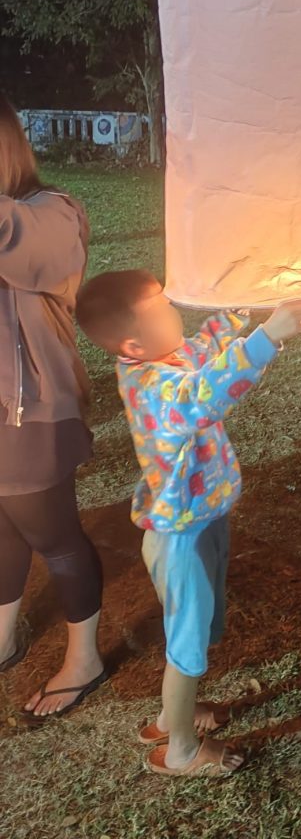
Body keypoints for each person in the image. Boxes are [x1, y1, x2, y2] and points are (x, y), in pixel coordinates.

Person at [76, 269, 301, 776]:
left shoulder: (165, 353)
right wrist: (267, 335)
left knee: (198, 630)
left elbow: (205, 345)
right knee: (186, 647)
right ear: (131, 343)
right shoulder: (155, 385)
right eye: (163, 310)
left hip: (201, 520)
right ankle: (181, 750)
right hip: (179, 540)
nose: (175, 315)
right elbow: (206, 392)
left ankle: (173, 716)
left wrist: (243, 308)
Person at [0, 93, 105, 719]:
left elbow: (17, 239)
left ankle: (84, 658)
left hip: (31, 412)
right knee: (3, 531)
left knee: (55, 536)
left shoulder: (53, 214)